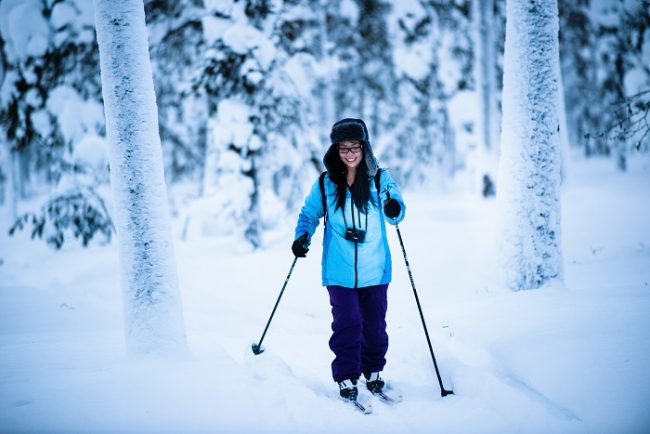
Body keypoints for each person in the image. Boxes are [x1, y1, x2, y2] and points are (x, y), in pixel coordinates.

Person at [292, 118, 405, 401]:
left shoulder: (380, 179)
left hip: (375, 268)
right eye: (344, 148)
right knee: (347, 322)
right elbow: (309, 213)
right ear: (336, 150)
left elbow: (397, 212)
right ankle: (346, 375)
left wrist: (393, 206)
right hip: (338, 269)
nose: (350, 153)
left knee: (374, 324)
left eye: (355, 147)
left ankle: (373, 370)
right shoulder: (326, 182)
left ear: (364, 147)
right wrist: (302, 235)